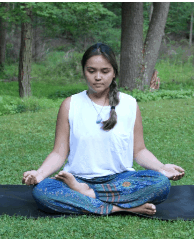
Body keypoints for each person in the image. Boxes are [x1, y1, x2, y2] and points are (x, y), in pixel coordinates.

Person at [22, 43, 185, 216]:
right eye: (91, 71)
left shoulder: (129, 104)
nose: (97, 77)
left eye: (104, 71)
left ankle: (89, 197)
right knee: (43, 191)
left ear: (114, 72)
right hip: (77, 180)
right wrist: (39, 174)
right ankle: (120, 207)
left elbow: (139, 151)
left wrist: (162, 167)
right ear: (84, 71)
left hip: (120, 180)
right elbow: (59, 153)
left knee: (160, 184)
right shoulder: (70, 105)